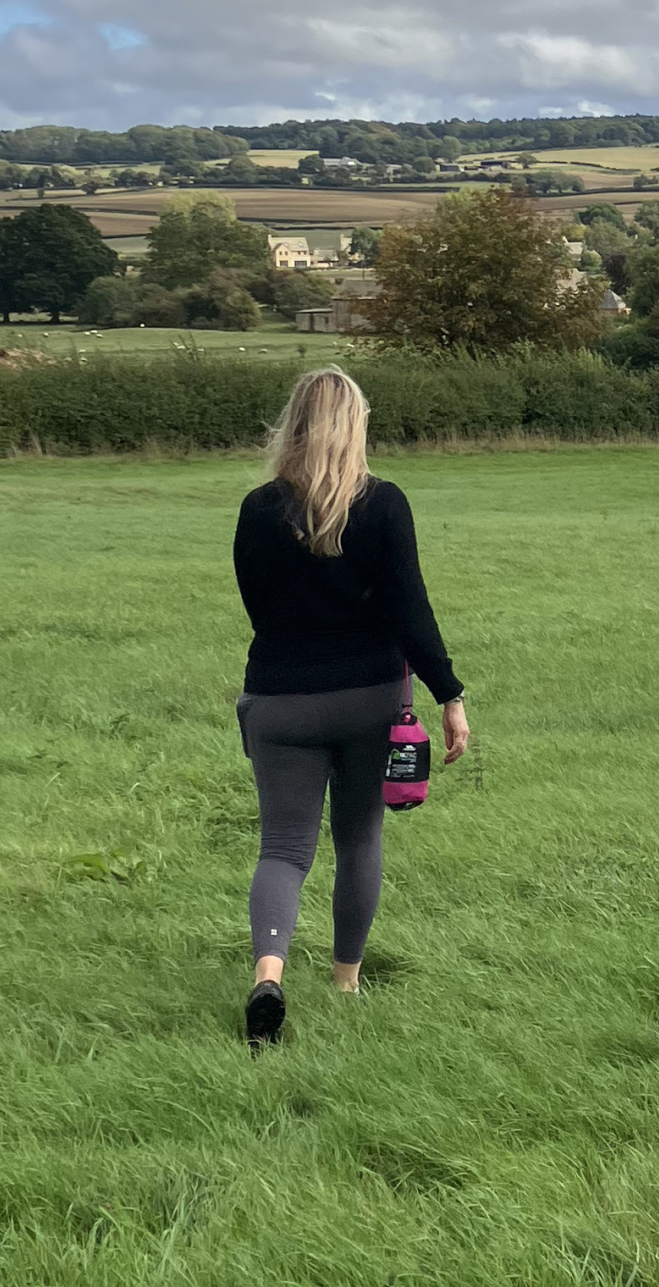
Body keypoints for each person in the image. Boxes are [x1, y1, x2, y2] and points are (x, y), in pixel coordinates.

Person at [232, 367, 471, 1048]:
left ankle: (268, 976)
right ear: (356, 427)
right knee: (359, 838)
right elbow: (410, 612)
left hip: (279, 700)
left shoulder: (258, 509)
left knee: (282, 848)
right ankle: (344, 982)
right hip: (371, 699)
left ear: (295, 425)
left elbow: (257, 606)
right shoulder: (385, 505)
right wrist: (449, 695)